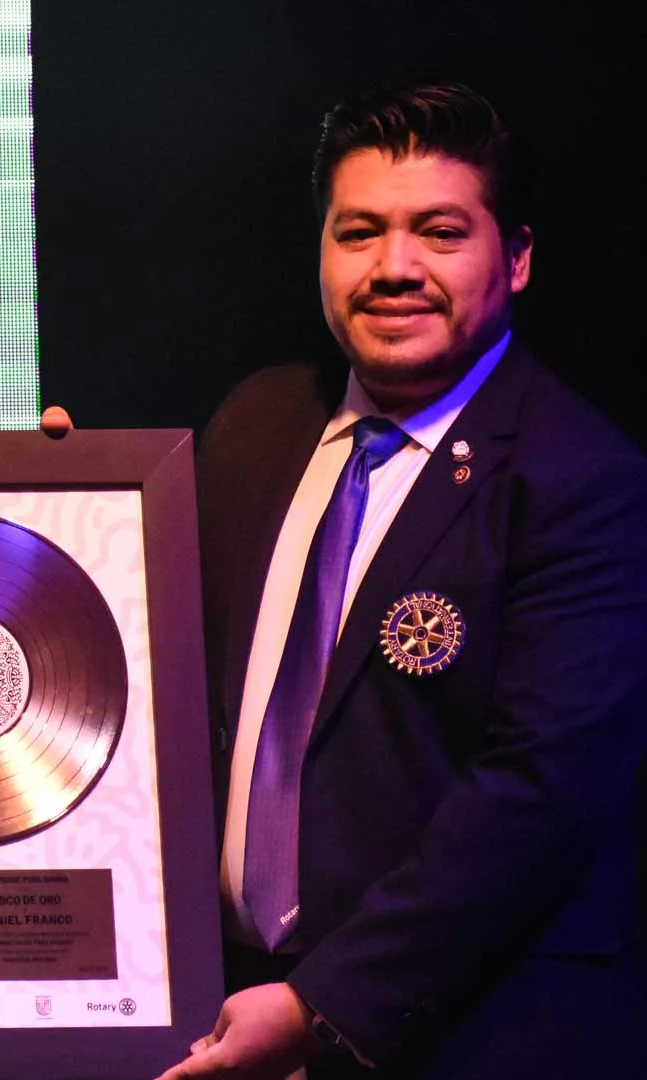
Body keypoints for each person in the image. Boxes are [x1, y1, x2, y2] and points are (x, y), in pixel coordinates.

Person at [158, 83, 647, 1079]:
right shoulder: (258, 423)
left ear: (514, 257)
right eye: (358, 232)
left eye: (438, 231)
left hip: (464, 1034)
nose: (393, 268)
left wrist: (318, 1007)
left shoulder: (582, 479)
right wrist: (71, 509)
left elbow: (537, 800)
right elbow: (162, 670)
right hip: (227, 1003)